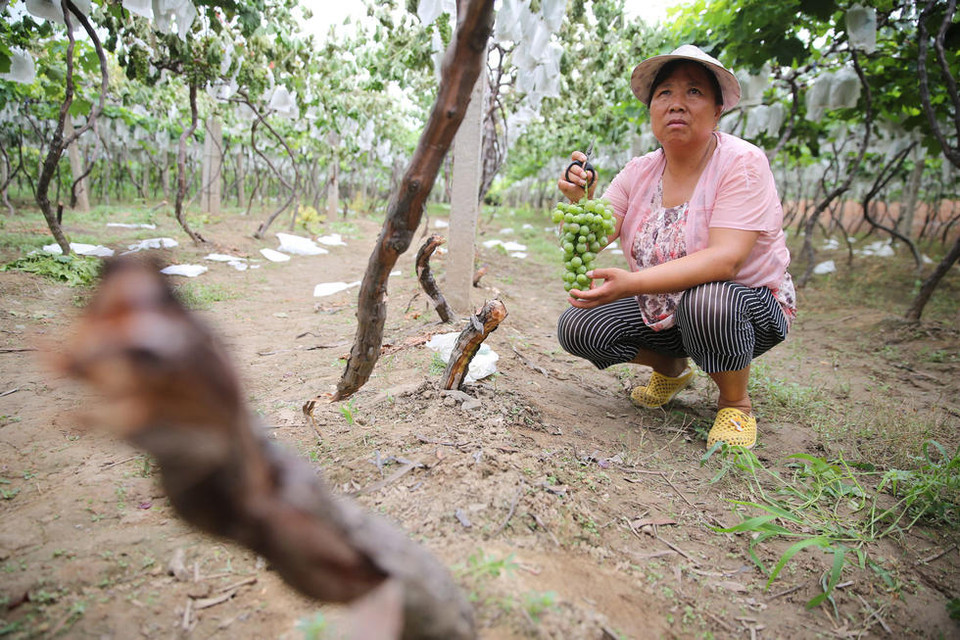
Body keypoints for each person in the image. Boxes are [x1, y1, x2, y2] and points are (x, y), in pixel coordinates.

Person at [556, 45, 796, 449]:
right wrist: (580, 202)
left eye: (694, 93)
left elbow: (727, 260)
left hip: (744, 306)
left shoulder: (742, 163)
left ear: (718, 110)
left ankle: (735, 403)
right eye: (664, 93)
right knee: (579, 326)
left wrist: (631, 283)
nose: (676, 105)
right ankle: (671, 368)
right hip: (663, 309)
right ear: (651, 110)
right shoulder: (639, 172)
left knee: (708, 302)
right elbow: (593, 235)